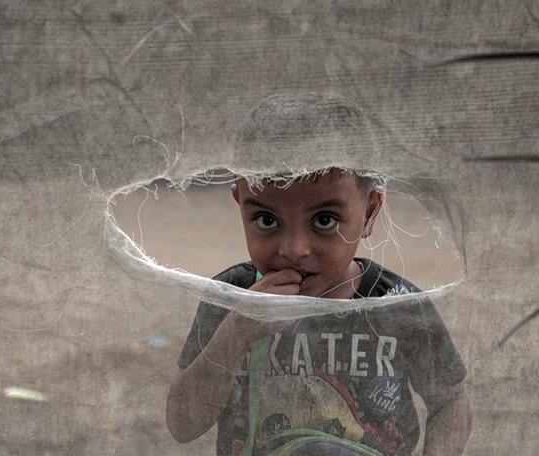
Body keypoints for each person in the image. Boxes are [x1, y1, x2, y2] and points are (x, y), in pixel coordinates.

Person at [166, 92, 471, 455]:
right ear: (240, 205)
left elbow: (450, 400)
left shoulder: (398, 307)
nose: (293, 248)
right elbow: (183, 425)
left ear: (369, 213)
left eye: (324, 220)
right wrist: (238, 331)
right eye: (266, 220)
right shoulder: (231, 297)